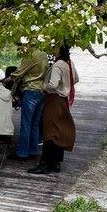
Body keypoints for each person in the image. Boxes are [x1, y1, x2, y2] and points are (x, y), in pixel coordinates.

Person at [31, 46, 80, 175]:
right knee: (58, 130)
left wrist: (45, 88)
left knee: (50, 131)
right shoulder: (69, 62)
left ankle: (45, 164)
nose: (52, 51)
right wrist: (66, 85)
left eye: (55, 49)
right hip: (63, 100)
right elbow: (75, 79)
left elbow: (53, 84)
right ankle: (55, 162)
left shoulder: (58, 65)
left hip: (54, 100)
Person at [12, 43, 49, 160]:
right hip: (41, 90)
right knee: (35, 123)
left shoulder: (30, 55)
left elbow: (18, 73)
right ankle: (33, 150)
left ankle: (22, 152)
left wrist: (5, 80)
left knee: (26, 123)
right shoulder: (43, 53)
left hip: (31, 90)